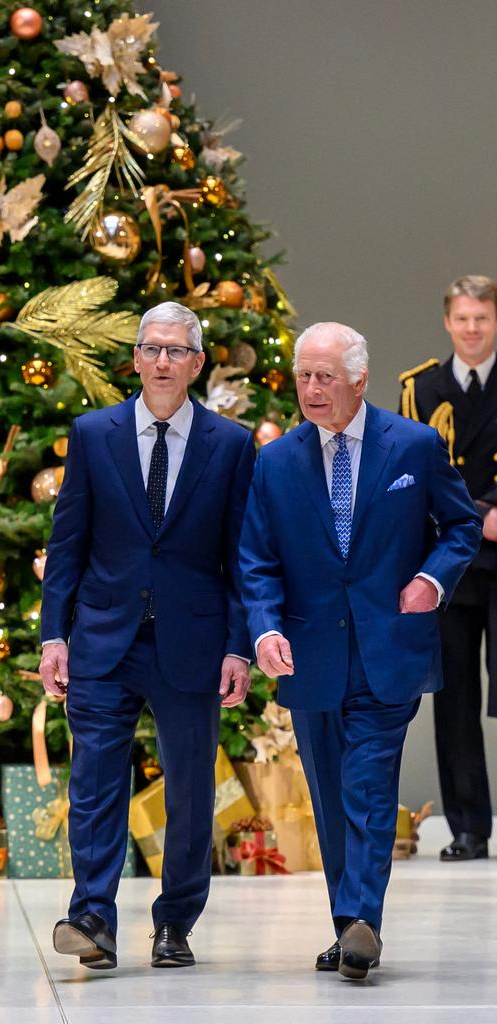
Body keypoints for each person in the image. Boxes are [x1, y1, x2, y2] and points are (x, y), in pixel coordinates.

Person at [240, 322, 480, 980]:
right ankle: (348, 924)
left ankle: (362, 920)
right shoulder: (276, 462)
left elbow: (460, 525)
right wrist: (263, 629)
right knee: (329, 792)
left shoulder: (414, 446)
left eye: (324, 377)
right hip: (310, 653)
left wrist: (433, 579)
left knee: (369, 788)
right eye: (303, 377)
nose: (311, 390)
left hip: (388, 649)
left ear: (358, 379)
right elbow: (256, 559)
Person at [39, 302, 255, 970]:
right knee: (96, 780)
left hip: (192, 642)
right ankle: (93, 916)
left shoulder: (230, 445)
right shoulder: (94, 434)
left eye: (176, 351)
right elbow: (68, 542)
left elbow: (244, 553)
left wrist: (239, 645)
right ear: (134, 359)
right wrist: (53, 636)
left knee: (191, 789)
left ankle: (175, 923)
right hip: (103, 638)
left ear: (196, 363)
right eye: (151, 349)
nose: (162, 362)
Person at [399, 275, 497, 862]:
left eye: (481, 318)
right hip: (455, 558)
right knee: (454, 696)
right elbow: (420, 469)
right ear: (447, 322)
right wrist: (478, 514)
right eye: (462, 318)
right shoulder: (421, 387)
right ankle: (468, 825)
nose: (471, 328)